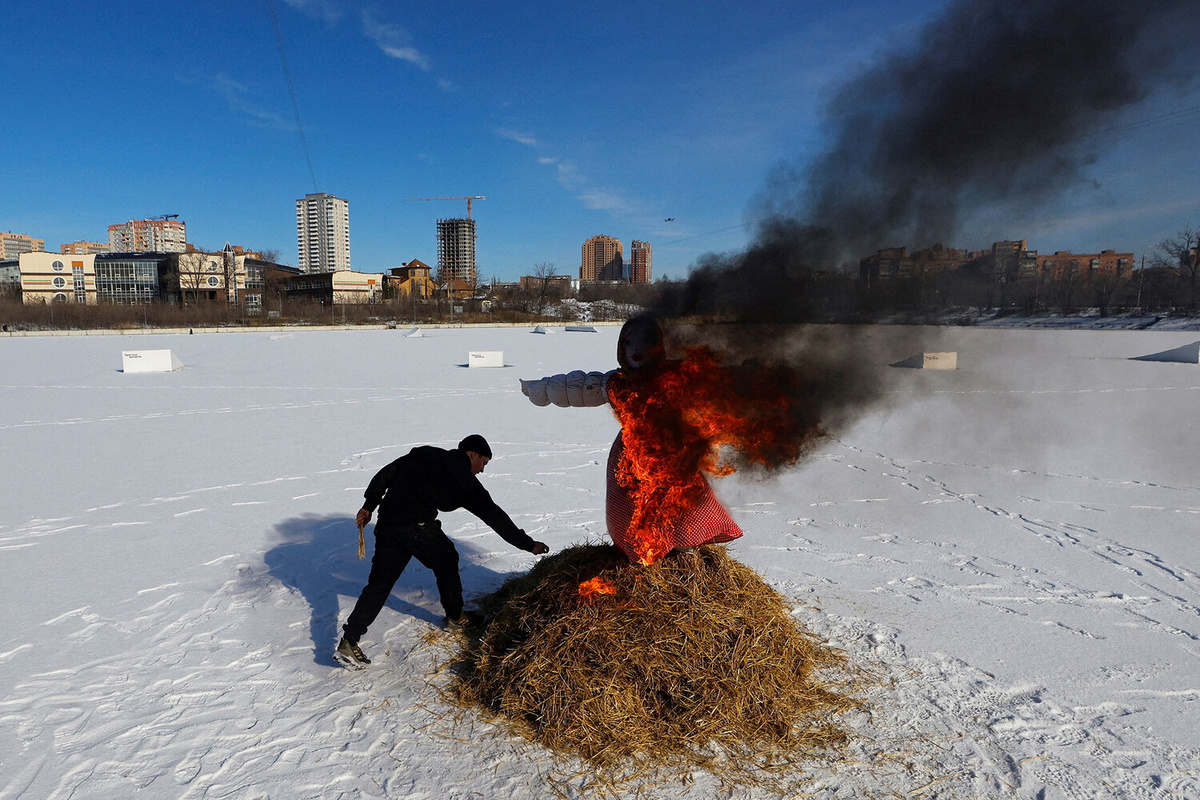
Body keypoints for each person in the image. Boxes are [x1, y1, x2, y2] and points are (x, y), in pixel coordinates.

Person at [521, 314, 742, 565]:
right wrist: (544, 389)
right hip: (630, 455)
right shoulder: (617, 383)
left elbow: (716, 380)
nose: (636, 350)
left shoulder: (675, 376)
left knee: (682, 502)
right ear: (620, 347)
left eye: (646, 341)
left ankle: (683, 548)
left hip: (672, 451)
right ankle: (645, 550)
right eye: (628, 342)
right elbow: (581, 387)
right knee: (632, 506)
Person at [335, 434, 549, 669]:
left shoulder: (425, 453)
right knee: (447, 558)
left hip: (387, 524)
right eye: (483, 463)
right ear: (473, 454)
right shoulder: (463, 479)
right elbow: (493, 515)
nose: (482, 470)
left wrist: (369, 505)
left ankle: (349, 641)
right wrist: (528, 544)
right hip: (415, 527)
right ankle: (455, 617)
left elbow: (385, 474)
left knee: (379, 584)